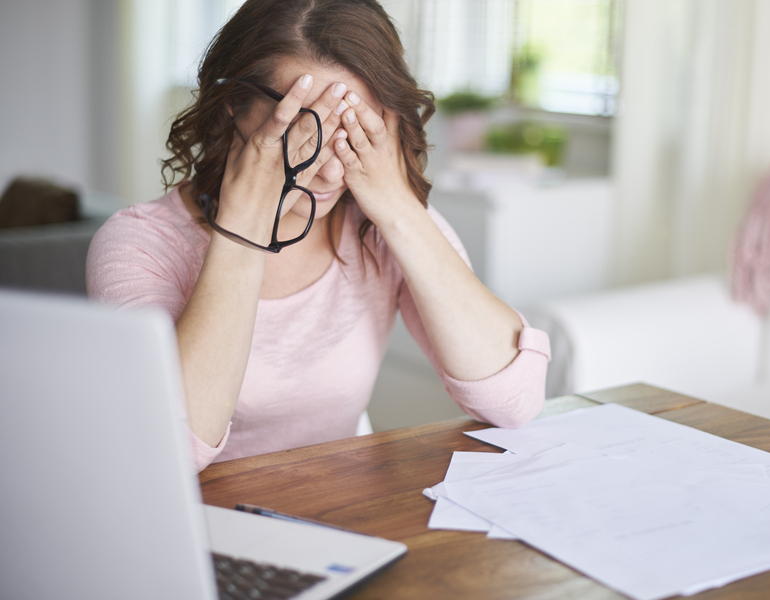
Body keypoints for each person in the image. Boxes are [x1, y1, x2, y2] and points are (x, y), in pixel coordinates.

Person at [87, 0, 550, 472]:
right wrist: (243, 232)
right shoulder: (139, 244)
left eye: (354, 132)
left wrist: (398, 209)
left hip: (336, 522)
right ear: (234, 109)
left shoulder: (380, 221)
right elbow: (171, 449)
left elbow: (513, 402)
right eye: (303, 132)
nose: (331, 171)